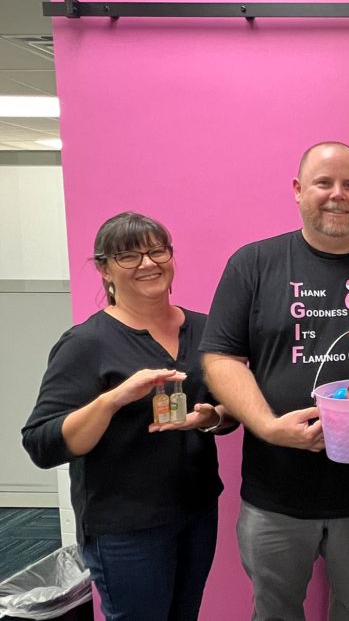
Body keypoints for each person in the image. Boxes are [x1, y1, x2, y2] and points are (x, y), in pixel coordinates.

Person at [199, 142, 349, 621]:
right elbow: (220, 358)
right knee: (274, 611)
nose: (337, 195)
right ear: (299, 191)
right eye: (323, 183)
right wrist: (268, 427)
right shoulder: (253, 264)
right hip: (275, 491)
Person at [22, 212, 235, 621]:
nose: (148, 264)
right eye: (129, 256)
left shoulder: (205, 330)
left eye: (157, 251)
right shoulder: (87, 343)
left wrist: (212, 418)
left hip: (196, 512)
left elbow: (226, 413)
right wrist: (113, 399)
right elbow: (41, 443)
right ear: (104, 269)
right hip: (126, 528)